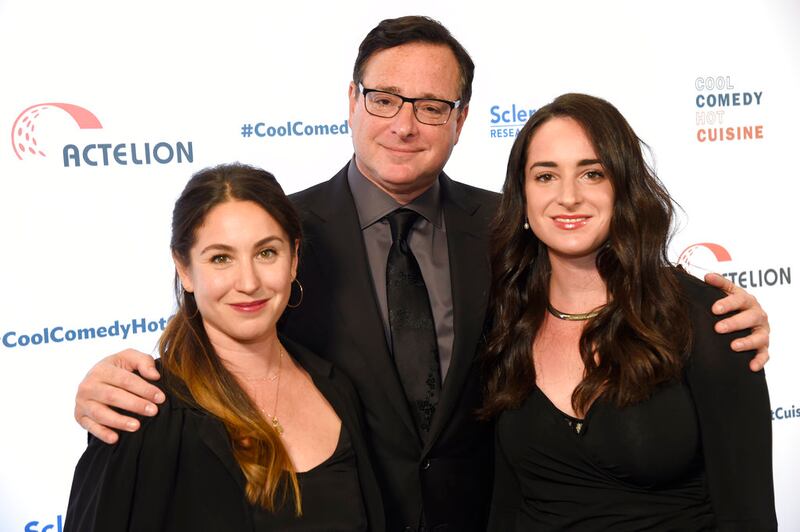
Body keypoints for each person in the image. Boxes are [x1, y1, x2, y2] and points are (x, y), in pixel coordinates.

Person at [71, 17, 772, 532]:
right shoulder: (284, 237)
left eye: (433, 106)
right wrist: (110, 382)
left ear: (461, 120)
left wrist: (720, 313)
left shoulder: (508, 231)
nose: (405, 124)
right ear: (351, 101)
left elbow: (610, 281)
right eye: (385, 98)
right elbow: (216, 327)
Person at [482, 93, 776, 530]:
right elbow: (505, 507)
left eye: (592, 174)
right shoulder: (506, 319)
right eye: (545, 176)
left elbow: (748, 513)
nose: (568, 197)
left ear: (623, 187)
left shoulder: (704, 317)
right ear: (522, 196)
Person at [65, 164, 384, 531]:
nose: (248, 282)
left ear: (294, 259)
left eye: (266, 253)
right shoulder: (145, 411)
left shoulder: (336, 387)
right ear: (184, 269)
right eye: (221, 258)